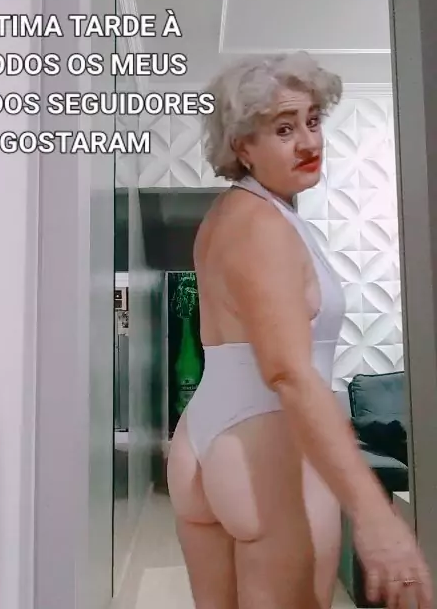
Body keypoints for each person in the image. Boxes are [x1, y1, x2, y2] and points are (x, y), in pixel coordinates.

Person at [166, 52, 432, 609]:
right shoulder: (261, 225)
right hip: (265, 446)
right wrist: (374, 514)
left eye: (312, 121)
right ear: (242, 146)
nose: (309, 142)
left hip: (206, 438)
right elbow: (288, 371)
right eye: (284, 129)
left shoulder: (232, 216)